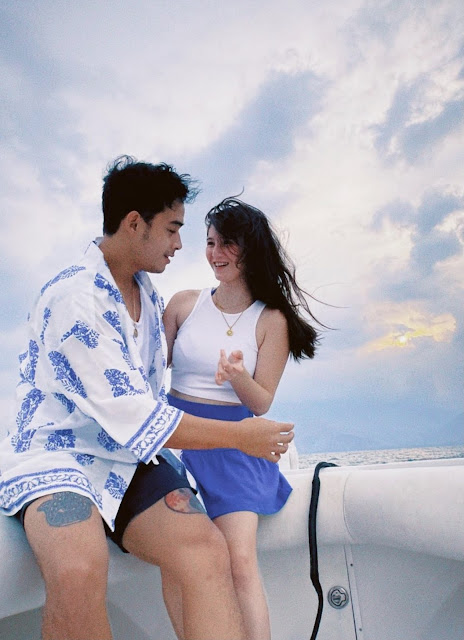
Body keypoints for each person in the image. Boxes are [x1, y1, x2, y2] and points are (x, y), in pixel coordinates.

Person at [0, 157, 294, 640]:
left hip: (128, 456)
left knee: (206, 549)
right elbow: (136, 415)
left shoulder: (148, 293)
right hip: (58, 454)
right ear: (135, 223)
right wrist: (241, 437)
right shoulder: (77, 298)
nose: (180, 244)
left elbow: (151, 398)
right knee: (78, 571)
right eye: (173, 229)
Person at [163, 197, 320, 639]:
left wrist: (236, 376)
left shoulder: (271, 320)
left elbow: (262, 401)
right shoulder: (183, 304)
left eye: (226, 243)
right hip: (178, 440)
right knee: (177, 561)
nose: (215, 253)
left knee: (239, 563)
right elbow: (148, 367)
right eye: (210, 243)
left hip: (234, 448)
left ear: (250, 249)